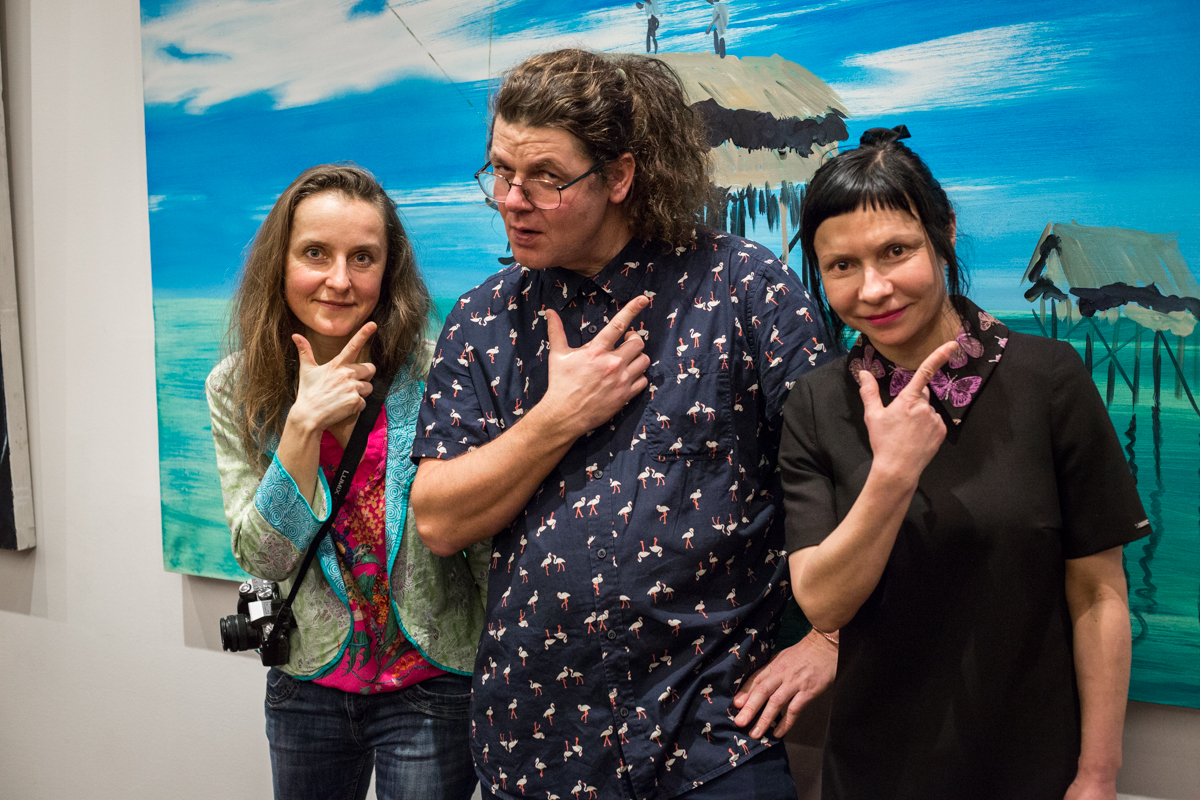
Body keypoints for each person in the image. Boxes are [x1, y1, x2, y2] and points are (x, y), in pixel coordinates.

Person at [411, 49, 836, 799]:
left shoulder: (743, 289)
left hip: (710, 743)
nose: (512, 199)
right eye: (501, 171)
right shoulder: (482, 319)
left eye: (546, 177)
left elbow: (847, 475)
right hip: (532, 746)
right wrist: (556, 419)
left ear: (619, 177)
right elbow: (440, 520)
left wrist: (834, 639)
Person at [779, 126, 1149, 799]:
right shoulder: (816, 403)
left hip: (1032, 770)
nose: (874, 289)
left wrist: (1098, 774)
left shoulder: (1049, 380)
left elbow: (1099, 592)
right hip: (874, 774)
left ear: (944, 232)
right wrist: (892, 475)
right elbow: (825, 602)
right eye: (841, 266)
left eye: (896, 251)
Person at [206, 164, 487, 800]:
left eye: (363, 257)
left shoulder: (437, 373)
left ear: (388, 270)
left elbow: (477, 537)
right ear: (280, 263)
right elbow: (265, 557)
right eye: (315, 253)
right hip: (308, 681)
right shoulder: (235, 387)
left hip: (431, 683)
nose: (339, 279)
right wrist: (302, 426)